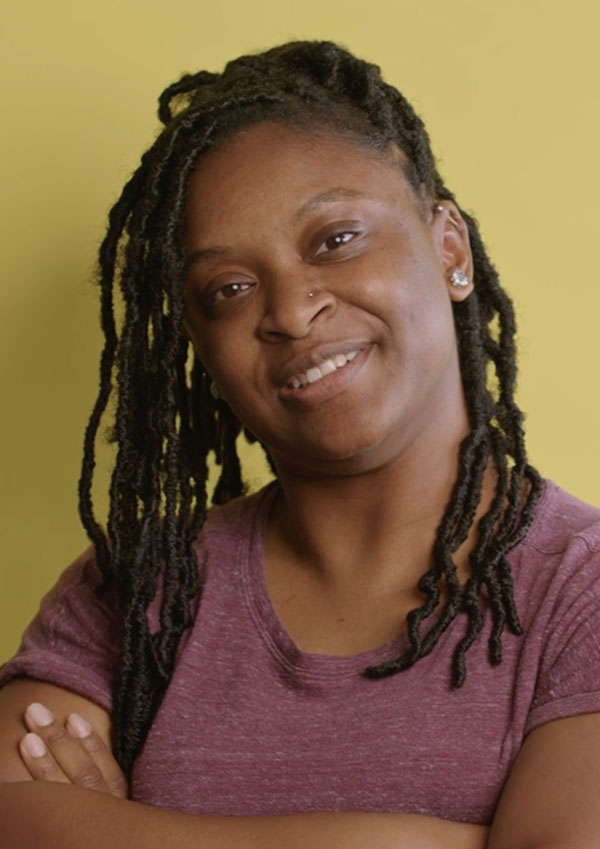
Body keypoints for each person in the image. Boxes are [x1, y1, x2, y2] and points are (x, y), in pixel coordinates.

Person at [1, 39, 600, 849]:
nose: (288, 309)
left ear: (449, 248)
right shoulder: (142, 585)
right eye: (230, 289)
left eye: (335, 239)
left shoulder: (581, 592)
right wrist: (406, 842)